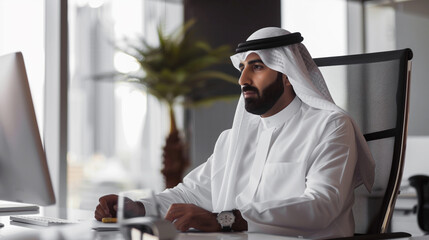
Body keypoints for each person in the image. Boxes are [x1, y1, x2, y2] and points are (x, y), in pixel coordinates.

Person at [94, 27, 375, 239]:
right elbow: (193, 192)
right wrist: (137, 207)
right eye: (242, 68)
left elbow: (320, 205)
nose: (243, 80)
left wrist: (225, 220)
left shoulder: (330, 126)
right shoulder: (234, 138)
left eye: (257, 67)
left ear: (288, 74)